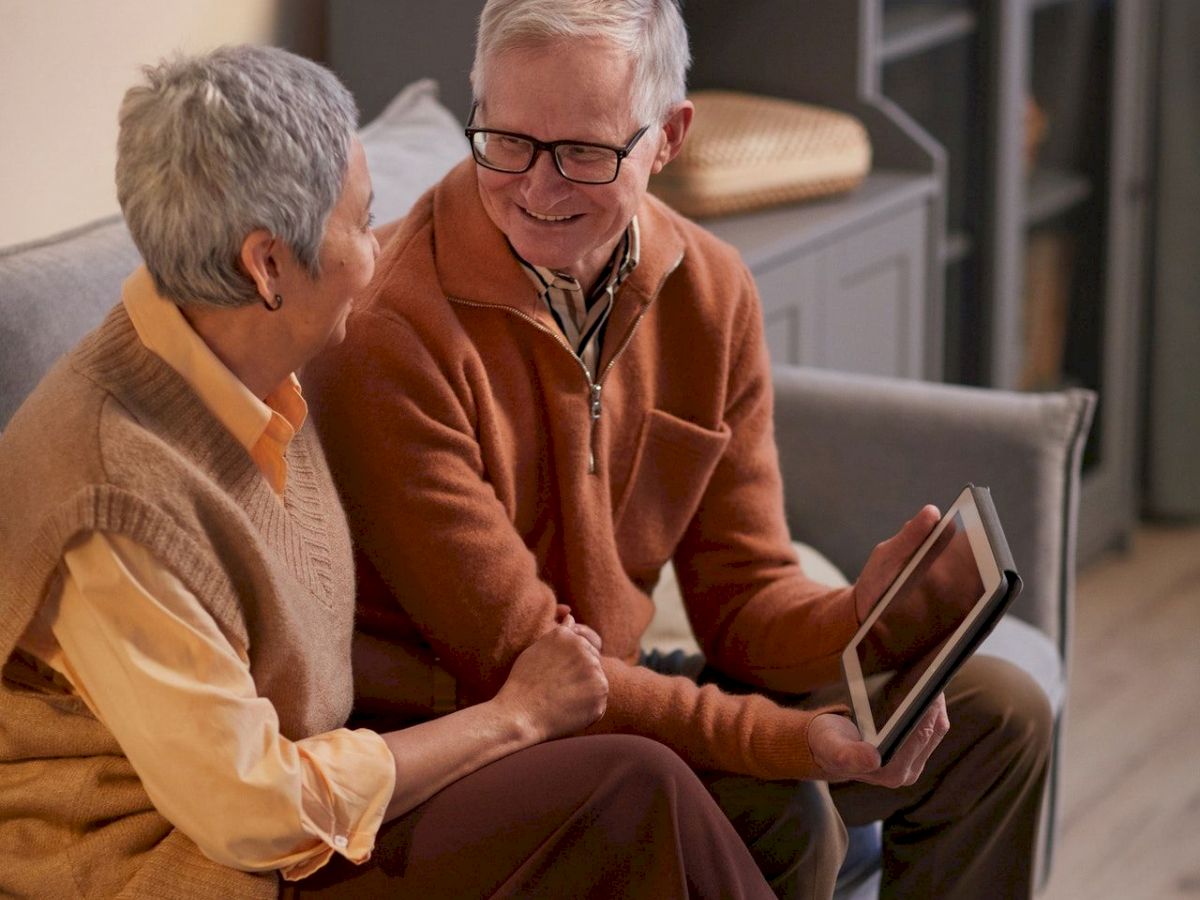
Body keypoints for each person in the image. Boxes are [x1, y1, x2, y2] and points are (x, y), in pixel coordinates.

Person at [306, 2, 1055, 898]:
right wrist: (791, 745)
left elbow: (742, 595)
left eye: (586, 152)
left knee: (999, 718)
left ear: (669, 137)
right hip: (477, 725)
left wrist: (865, 616)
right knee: (787, 805)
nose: (539, 190)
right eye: (505, 141)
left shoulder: (711, 290)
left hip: (617, 685)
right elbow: (526, 662)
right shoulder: (389, 333)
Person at [0, 45, 777, 900]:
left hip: (316, 798)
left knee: (745, 806)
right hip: (183, 865)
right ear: (266, 266)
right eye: (362, 223)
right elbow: (254, 812)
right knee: (636, 790)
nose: (380, 250)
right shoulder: (113, 498)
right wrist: (513, 719)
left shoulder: (246, 357)